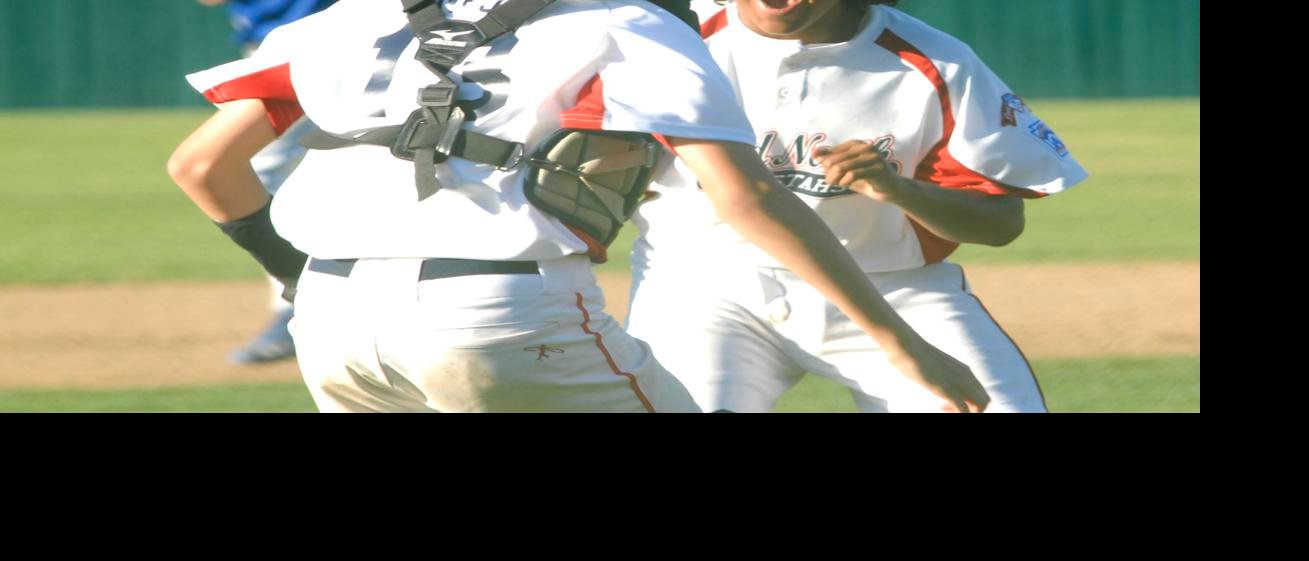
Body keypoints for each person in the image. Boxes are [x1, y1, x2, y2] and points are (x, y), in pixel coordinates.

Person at [167, 0, 987, 413]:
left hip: (335, 323)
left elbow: (202, 166)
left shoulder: (358, 16)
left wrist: (297, 285)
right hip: (502, 307)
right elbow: (745, 195)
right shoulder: (628, 22)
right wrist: (900, 345)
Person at [627, 0, 1088, 412]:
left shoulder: (935, 61)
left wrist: (900, 189)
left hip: (895, 287)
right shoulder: (671, 35)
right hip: (702, 287)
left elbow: (1001, 222)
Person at [196, 0, 340, 365]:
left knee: (247, 171)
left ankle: (303, 307)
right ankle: (312, 301)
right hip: (277, 50)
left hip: (324, 46)